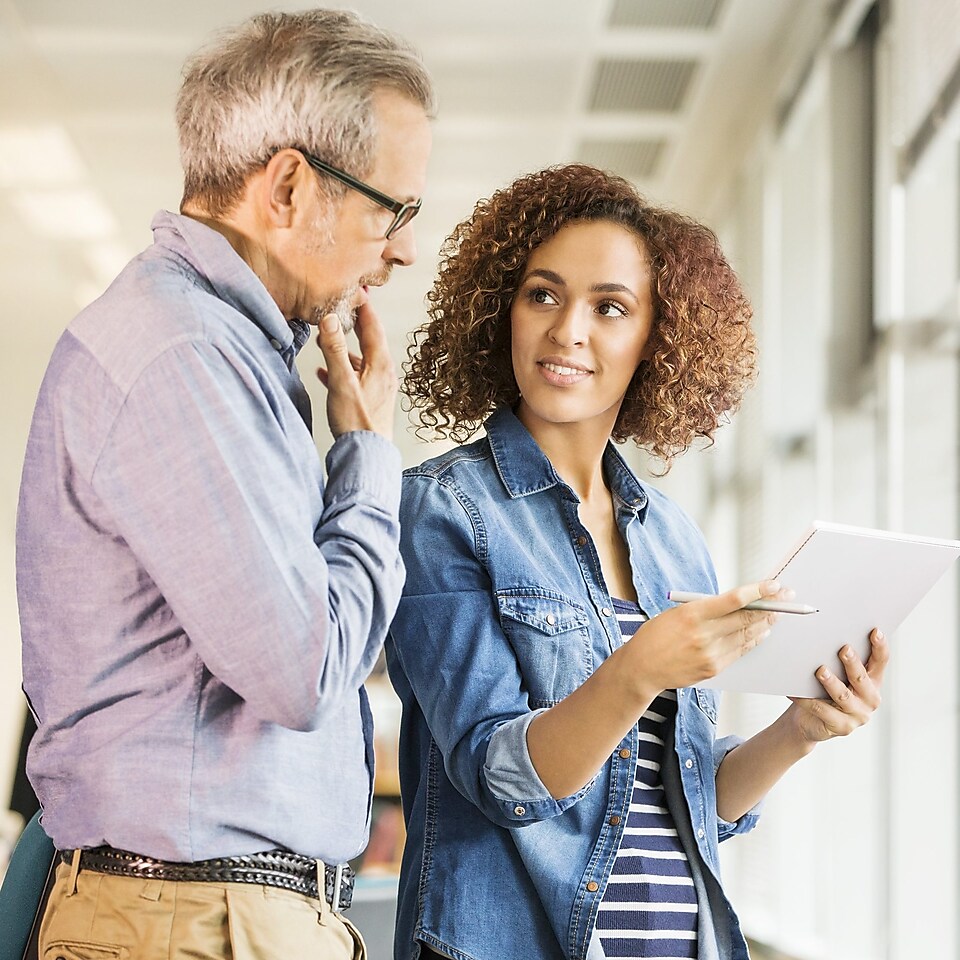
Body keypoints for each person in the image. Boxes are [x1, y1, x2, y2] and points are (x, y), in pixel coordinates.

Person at [387, 163, 886, 960]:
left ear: (658, 338)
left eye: (609, 308)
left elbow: (687, 798)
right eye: (541, 295)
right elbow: (501, 780)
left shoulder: (671, 538)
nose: (566, 332)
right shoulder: (442, 510)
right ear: (500, 310)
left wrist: (800, 730)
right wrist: (639, 669)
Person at [16, 10, 434, 959]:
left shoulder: (225, 357)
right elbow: (302, 671)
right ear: (288, 186)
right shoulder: (182, 356)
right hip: (193, 923)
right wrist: (366, 451)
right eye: (392, 211)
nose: (402, 249)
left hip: (209, 917)